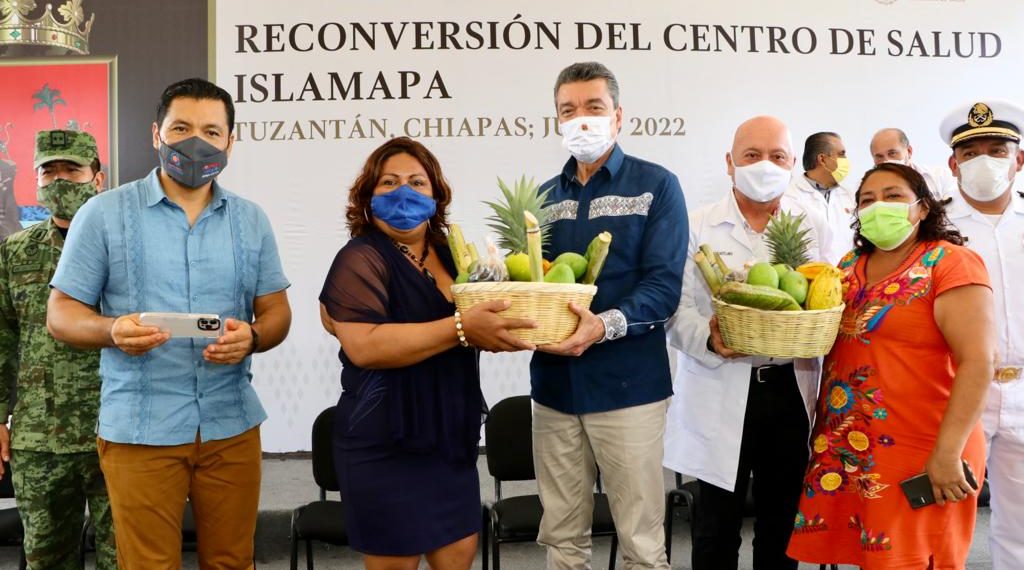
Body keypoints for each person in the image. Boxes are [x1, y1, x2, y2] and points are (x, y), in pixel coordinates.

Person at [46, 78, 292, 569]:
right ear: (155, 135)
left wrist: (256, 336)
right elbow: (62, 314)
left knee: (232, 562)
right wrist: (112, 330)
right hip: (140, 426)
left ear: (230, 142)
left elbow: (276, 312)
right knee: (148, 565)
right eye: (180, 128)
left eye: (210, 131)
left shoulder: (251, 220)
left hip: (231, 422)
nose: (194, 141)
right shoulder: (104, 214)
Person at [319, 136, 533, 570]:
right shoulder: (360, 258)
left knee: (457, 558)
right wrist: (460, 328)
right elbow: (365, 347)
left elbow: (475, 329)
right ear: (368, 196)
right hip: (385, 442)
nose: (404, 192)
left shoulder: (453, 258)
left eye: (418, 182)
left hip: (449, 439)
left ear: (436, 196)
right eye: (389, 182)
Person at [787, 162, 995, 569]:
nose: (878, 206)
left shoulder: (950, 263)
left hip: (927, 449)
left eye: (893, 196)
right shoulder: (846, 269)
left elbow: (978, 361)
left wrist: (948, 454)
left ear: (922, 208)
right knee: (871, 559)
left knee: (917, 560)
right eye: (867, 199)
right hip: (853, 450)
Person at [531, 61, 687, 570]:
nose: (581, 119)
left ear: (618, 116)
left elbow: (663, 288)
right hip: (555, 389)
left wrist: (602, 325)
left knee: (640, 541)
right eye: (568, 110)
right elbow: (534, 284)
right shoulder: (542, 201)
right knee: (561, 538)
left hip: (628, 390)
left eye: (593, 108)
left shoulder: (657, 186)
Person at [664, 116, 820, 570]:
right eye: (752, 155)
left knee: (781, 529)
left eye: (777, 156)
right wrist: (710, 342)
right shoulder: (695, 226)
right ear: (730, 163)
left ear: (792, 164)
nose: (765, 165)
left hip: (791, 389)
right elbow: (674, 310)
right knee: (715, 530)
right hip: (719, 385)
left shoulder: (812, 225)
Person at [0, 130, 115, 569]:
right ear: (37, 181)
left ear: (98, 179)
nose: (61, 180)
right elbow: (3, 339)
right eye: (50, 171)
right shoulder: (14, 252)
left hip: (115, 429)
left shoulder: (125, 245)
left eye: (73, 170)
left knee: (122, 559)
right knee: (46, 560)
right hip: (39, 437)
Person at [939, 100, 1024, 570]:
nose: (984, 162)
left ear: (1020, 159)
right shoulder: (931, 229)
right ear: (953, 165)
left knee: (1021, 527)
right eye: (971, 153)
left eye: (997, 149)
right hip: (956, 390)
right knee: (944, 516)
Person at [786, 132, 857, 264]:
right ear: (823, 160)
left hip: (847, 278)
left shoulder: (850, 196)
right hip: (807, 279)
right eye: (841, 154)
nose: (846, 159)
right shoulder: (789, 195)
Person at [870, 127, 957, 200]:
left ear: (909, 151)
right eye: (879, 156)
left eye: (892, 153)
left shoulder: (940, 176)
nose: (886, 161)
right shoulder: (865, 189)